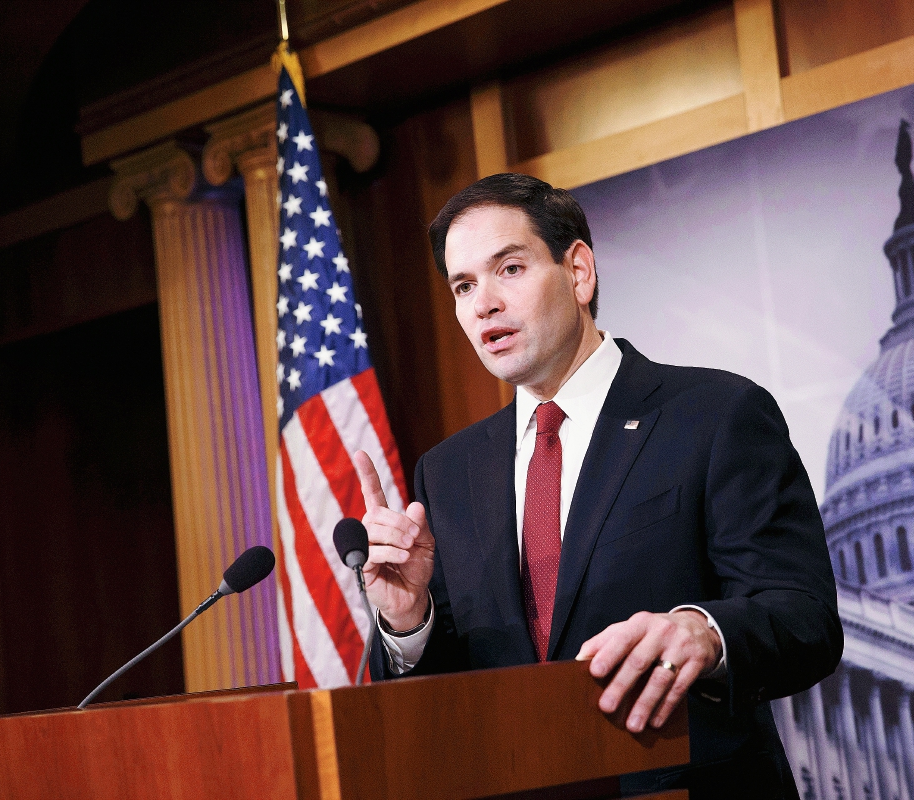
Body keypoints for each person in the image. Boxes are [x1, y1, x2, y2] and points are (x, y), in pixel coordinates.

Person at [353, 173, 842, 798]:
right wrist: (408, 624)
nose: (483, 305)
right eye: (464, 285)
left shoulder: (716, 414)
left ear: (578, 270)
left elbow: (805, 618)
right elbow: (443, 702)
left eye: (509, 269)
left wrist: (706, 631)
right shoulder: (449, 472)